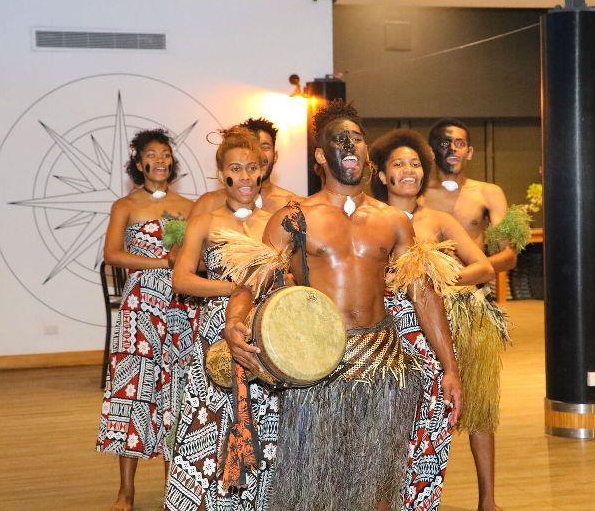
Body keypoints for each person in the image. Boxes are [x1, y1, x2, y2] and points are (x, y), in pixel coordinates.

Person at [221, 101, 463, 511]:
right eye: (340, 140)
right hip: (317, 366)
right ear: (320, 156)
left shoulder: (393, 220)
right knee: (315, 487)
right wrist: (234, 323)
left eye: (358, 139)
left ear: (368, 152)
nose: (351, 146)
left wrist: (451, 368)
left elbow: (424, 293)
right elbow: (249, 282)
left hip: (383, 365)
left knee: (377, 487)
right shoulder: (292, 218)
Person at [370, 129, 499, 510]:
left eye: (414, 164)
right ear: (381, 174)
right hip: (383, 336)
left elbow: (483, 267)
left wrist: (436, 277)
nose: (408, 171)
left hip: (435, 333)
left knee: (438, 423)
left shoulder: (438, 220)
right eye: (398, 164)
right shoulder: (371, 219)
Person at [163, 126, 277, 511]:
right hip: (216, 332)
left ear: (262, 170)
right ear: (221, 173)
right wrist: (234, 289)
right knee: (209, 419)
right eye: (236, 169)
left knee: (266, 420)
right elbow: (182, 279)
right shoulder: (205, 222)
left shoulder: (274, 223)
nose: (245, 177)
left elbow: (293, 274)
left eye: (252, 168)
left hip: (267, 333)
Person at [422, 119, 520, 511]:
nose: (453, 149)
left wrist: (458, 276)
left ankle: (488, 501)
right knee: (424, 405)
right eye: (445, 143)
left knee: (480, 405)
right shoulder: (416, 194)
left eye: (460, 143)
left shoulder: (488, 193)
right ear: (432, 151)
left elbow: (508, 254)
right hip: (424, 307)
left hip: (472, 305)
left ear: (471, 151)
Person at [96, 129, 193, 511]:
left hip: (181, 305)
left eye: (166, 154)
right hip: (140, 307)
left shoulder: (188, 206)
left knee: (177, 393)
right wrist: (160, 263)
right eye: (152, 155)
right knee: (132, 392)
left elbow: (196, 255)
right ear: (139, 164)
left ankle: (174, 486)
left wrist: (183, 261)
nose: (161, 161)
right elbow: (112, 256)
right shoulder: (125, 205)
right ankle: (126, 490)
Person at [190, 117, 298, 217]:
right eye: (251, 148)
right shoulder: (208, 203)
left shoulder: (292, 205)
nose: (258, 154)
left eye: (265, 147)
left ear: (276, 156)